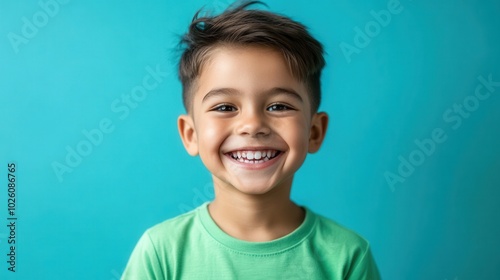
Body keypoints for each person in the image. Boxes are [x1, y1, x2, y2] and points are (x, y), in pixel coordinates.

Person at [122, 1, 380, 279]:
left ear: (314, 132)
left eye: (279, 106)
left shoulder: (348, 256)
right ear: (191, 134)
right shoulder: (161, 253)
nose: (253, 125)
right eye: (224, 107)